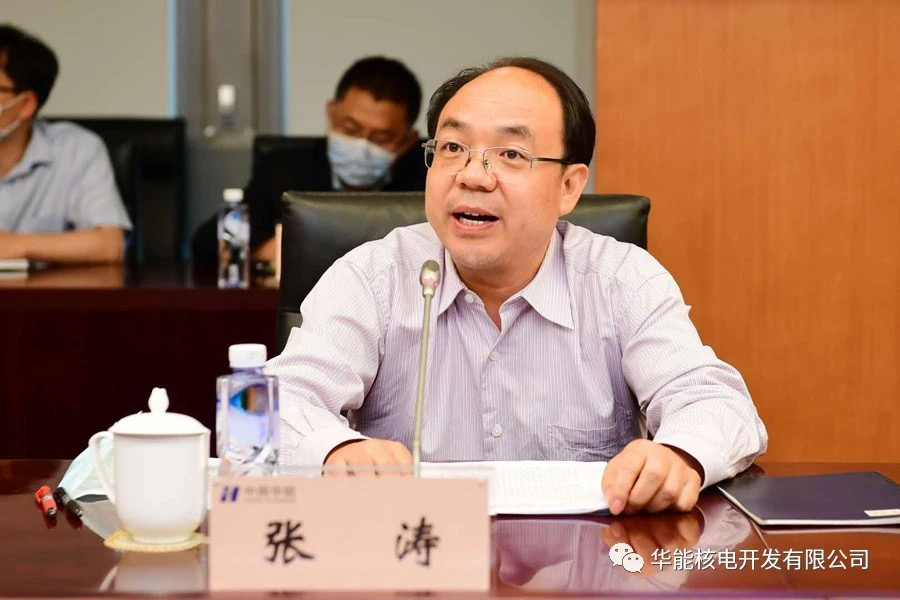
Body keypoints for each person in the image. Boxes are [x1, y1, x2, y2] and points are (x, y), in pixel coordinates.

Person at [268, 56, 768, 515]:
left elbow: (716, 403)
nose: (473, 176)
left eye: (510, 153)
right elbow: (276, 403)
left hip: (584, 564)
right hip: (416, 555)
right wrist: (337, 449)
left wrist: (678, 454)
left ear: (569, 186)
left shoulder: (621, 281)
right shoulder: (372, 277)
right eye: (453, 148)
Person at [191, 56, 426, 265]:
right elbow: (206, 246)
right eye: (351, 129)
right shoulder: (283, 169)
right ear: (331, 114)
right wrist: (274, 251)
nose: (362, 146)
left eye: (381, 138)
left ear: (408, 141)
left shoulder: (429, 179)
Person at [0, 24, 131, 264]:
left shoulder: (76, 150)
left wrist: (14, 245)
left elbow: (109, 245)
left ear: (26, 104)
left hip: (45, 288)